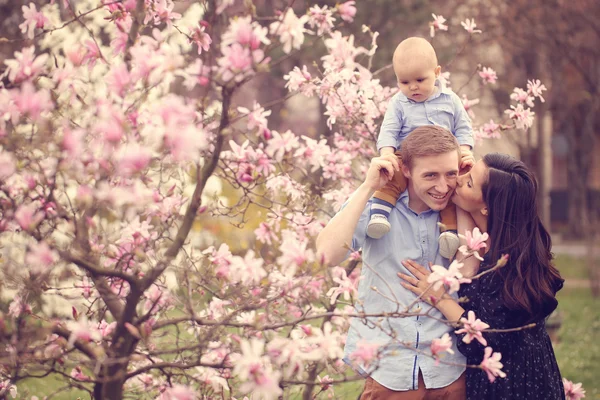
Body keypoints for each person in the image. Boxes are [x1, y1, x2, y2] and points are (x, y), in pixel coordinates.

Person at [317, 125, 467, 400]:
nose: (443, 186)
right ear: (406, 170)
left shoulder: (461, 210)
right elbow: (327, 254)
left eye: (451, 174)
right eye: (430, 175)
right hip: (391, 372)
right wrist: (368, 186)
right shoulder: (378, 210)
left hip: (450, 371)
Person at [399, 153, 565, 399]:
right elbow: (471, 234)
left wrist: (439, 297)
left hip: (511, 384)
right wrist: (466, 184)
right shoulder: (501, 238)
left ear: (487, 207)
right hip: (526, 369)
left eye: (468, 182)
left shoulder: (503, 267)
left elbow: (482, 342)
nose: (457, 179)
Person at [367, 37, 475, 261]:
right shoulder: (399, 103)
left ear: (436, 72)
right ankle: (379, 214)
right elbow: (389, 129)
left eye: (419, 79)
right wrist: (387, 153)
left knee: (448, 189)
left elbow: (463, 127)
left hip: (444, 158)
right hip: (408, 157)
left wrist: (464, 150)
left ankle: (449, 232)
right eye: (404, 82)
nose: (413, 87)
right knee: (393, 176)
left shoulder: (450, 100)